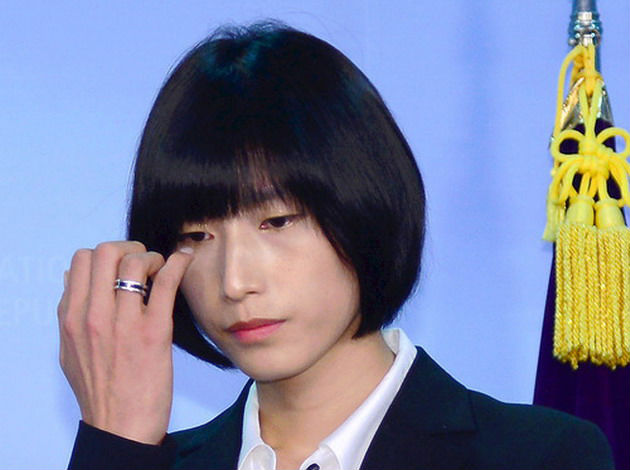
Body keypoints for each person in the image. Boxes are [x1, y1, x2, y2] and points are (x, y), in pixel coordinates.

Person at [59, 23, 614, 470]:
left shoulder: (537, 455)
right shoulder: (142, 460)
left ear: (367, 205)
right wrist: (115, 443)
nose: (234, 282)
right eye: (196, 236)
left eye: (276, 221)